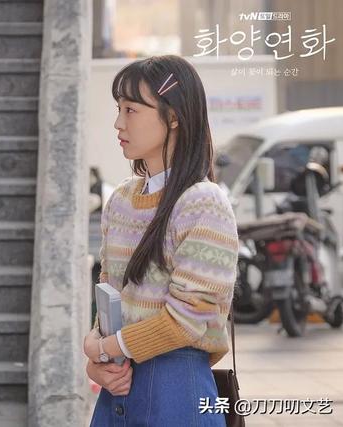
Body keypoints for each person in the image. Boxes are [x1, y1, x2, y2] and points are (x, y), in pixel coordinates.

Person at [83, 55, 239, 426]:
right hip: (117, 390)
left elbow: (188, 320)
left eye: (131, 110)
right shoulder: (121, 200)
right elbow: (109, 294)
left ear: (173, 117)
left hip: (176, 392)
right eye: (118, 109)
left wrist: (103, 348)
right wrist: (96, 359)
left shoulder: (203, 202)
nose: (119, 123)